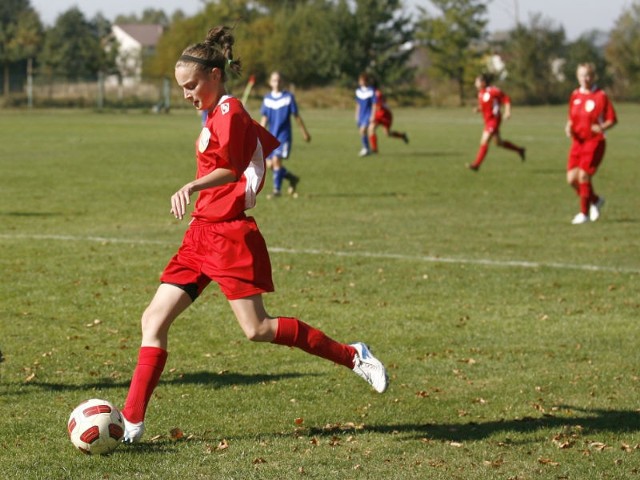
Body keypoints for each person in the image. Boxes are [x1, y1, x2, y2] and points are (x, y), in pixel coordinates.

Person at [120, 26, 388, 444]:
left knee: (257, 329)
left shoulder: (231, 112)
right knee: (153, 319)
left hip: (229, 236)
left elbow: (232, 166)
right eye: (182, 89)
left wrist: (192, 187)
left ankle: (354, 355)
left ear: (214, 74)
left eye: (191, 86)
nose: (187, 95)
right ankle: (132, 423)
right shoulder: (215, 113)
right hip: (201, 235)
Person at [564, 63, 617, 225]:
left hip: (594, 142)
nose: (585, 79)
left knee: (583, 176)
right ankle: (595, 200)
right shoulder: (575, 95)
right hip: (577, 142)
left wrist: (601, 127)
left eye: (588, 75)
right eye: (582, 75)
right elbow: (571, 117)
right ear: (577, 77)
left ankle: (584, 214)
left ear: (593, 77)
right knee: (571, 179)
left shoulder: (600, 96)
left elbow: (612, 119)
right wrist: (568, 126)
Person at [259, 71, 310, 197]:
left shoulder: (288, 97)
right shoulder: (267, 99)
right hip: (271, 136)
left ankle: (277, 191)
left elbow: (296, 116)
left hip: (284, 137)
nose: (277, 83)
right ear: (270, 83)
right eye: (274, 80)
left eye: (279, 80)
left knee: (276, 160)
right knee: (270, 164)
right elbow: (264, 119)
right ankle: (292, 178)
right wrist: (258, 135)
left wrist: (304, 132)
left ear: (282, 82)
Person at [467, 73, 525, 171]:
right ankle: (519, 150)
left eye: (477, 81)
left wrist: (507, 111)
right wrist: (479, 109)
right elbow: (488, 106)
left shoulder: (493, 91)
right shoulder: (481, 93)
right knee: (499, 143)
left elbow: (506, 99)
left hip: (494, 120)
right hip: (488, 120)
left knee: (484, 141)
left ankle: (476, 165)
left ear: (483, 83)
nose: (475, 83)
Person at [368, 79, 409, 153]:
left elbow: (378, 106)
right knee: (371, 129)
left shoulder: (378, 94)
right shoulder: (371, 93)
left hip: (385, 115)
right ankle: (374, 149)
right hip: (377, 114)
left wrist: (371, 112)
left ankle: (402, 135)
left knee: (387, 134)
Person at [354, 72, 375, 157]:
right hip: (361, 114)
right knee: (362, 132)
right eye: (360, 81)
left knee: (363, 130)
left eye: (362, 80)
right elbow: (358, 103)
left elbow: (374, 104)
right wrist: (356, 114)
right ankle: (366, 148)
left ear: (366, 81)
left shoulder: (371, 91)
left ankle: (366, 149)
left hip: (368, 114)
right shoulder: (358, 91)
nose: (361, 82)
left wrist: (373, 115)